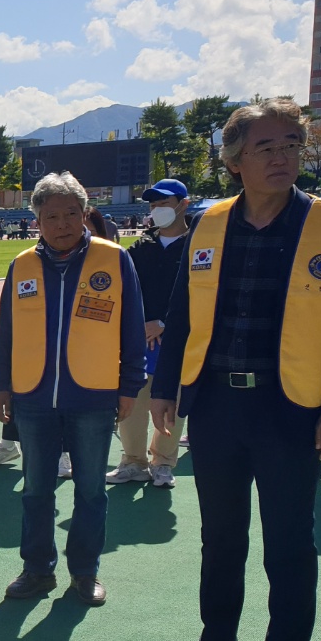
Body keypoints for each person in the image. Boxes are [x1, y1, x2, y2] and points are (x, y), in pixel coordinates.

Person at [151, 98, 321, 641]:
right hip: (216, 408)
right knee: (221, 538)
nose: (283, 157)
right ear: (235, 161)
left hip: (291, 410)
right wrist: (166, 388)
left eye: (291, 144)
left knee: (289, 545)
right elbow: (182, 313)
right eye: (266, 147)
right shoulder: (209, 225)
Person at [0, 172, 146, 607]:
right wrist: (0, 382)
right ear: (36, 220)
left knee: (91, 490)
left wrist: (130, 385)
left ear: (85, 213)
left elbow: (132, 328)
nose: (62, 224)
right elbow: (6, 331)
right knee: (36, 490)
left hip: (93, 395)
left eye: (71, 214)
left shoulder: (114, 259)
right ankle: (37, 570)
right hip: (34, 397)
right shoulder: (22, 265)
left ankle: (85, 572)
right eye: (52, 216)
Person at [107, 179, 189, 489]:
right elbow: (125, 290)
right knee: (132, 403)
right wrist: (138, 325)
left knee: (171, 405)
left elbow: (203, 295)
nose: (157, 210)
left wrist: (165, 324)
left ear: (183, 204)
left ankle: (163, 462)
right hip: (140, 340)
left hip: (177, 341)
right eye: (153, 205)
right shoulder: (141, 248)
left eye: (164, 204)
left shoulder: (198, 246)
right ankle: (133, 461)